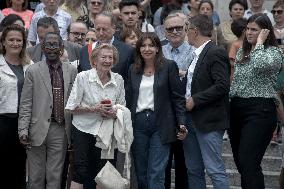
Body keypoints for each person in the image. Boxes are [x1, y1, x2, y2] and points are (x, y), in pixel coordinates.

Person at [126, 32, 187, 189]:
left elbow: (178, 97)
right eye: (143, 45)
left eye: (151, 45)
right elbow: (128, 97)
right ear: (139, 49)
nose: (147, 49)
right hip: (138, 124)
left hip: (161, 123)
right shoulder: (133, 69)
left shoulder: (168, 66)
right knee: (141, 172)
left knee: (156, 172)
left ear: (158, 48)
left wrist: (181, 122)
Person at [18, 32, 78, 189]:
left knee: (55, 176)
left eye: (55, 44)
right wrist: (23, 130)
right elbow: (26, 103)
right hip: (36, 129)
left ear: (61, 48)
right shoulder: (33, 70)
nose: (51, 48)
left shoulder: (71, 70)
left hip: (60, 129)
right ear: (43, 47)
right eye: (48, 44)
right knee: (36, 177)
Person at [229, 13, 282, 189]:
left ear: (265, 32)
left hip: (260, 110)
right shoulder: (242, 53)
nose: (249, 33)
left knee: (248, 160)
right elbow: (236, 82)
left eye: (255, 30)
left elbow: (260, 65)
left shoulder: (274, 52)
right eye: (248, 29)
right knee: (242, 163)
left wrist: (260, 43)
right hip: (237, 109)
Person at [66, 44, 125, 189]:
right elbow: (71, 108)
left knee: (103, 172)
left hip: (106, 133)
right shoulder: (83, 77)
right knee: (80, 170)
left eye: (110, 57)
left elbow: (122, 108)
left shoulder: (118, 80)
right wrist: (94, 109)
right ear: (95, 60)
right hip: (83, 130)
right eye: (103, 57)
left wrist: (113, 113)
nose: (107, 60)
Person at [183, 14, 230, 189]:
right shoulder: (197, 54)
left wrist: (195, 99)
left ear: (194, 31)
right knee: (193, 169)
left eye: (187, 30)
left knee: (214, 170)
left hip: (209, 121)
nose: (185, 34)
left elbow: (223, 85)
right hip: (190, 120)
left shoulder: (215, 51)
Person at [162, 13, 195, 189]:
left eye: (178, 28)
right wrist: (180, 73)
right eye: (170, 29)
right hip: (162, 116)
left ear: (186, 28)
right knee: (163, 165)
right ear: (164, 31)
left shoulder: (195, 52)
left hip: (187, 115)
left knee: (184, 165)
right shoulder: (159, 51)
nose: (174, 31)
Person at [0, 24, 32, 189]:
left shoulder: (30, 65)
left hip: (23, 122)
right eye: (11, 39)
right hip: (3, 121)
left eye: (19, 40)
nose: (15, 43)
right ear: (3, 42)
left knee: (20, 165)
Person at [78, 12, 134, 81]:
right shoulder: (84, 51)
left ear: (113, 29)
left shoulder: (127, 51)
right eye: (98, 29)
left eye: (104, 29)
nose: (101, 33)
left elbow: (129, 81)